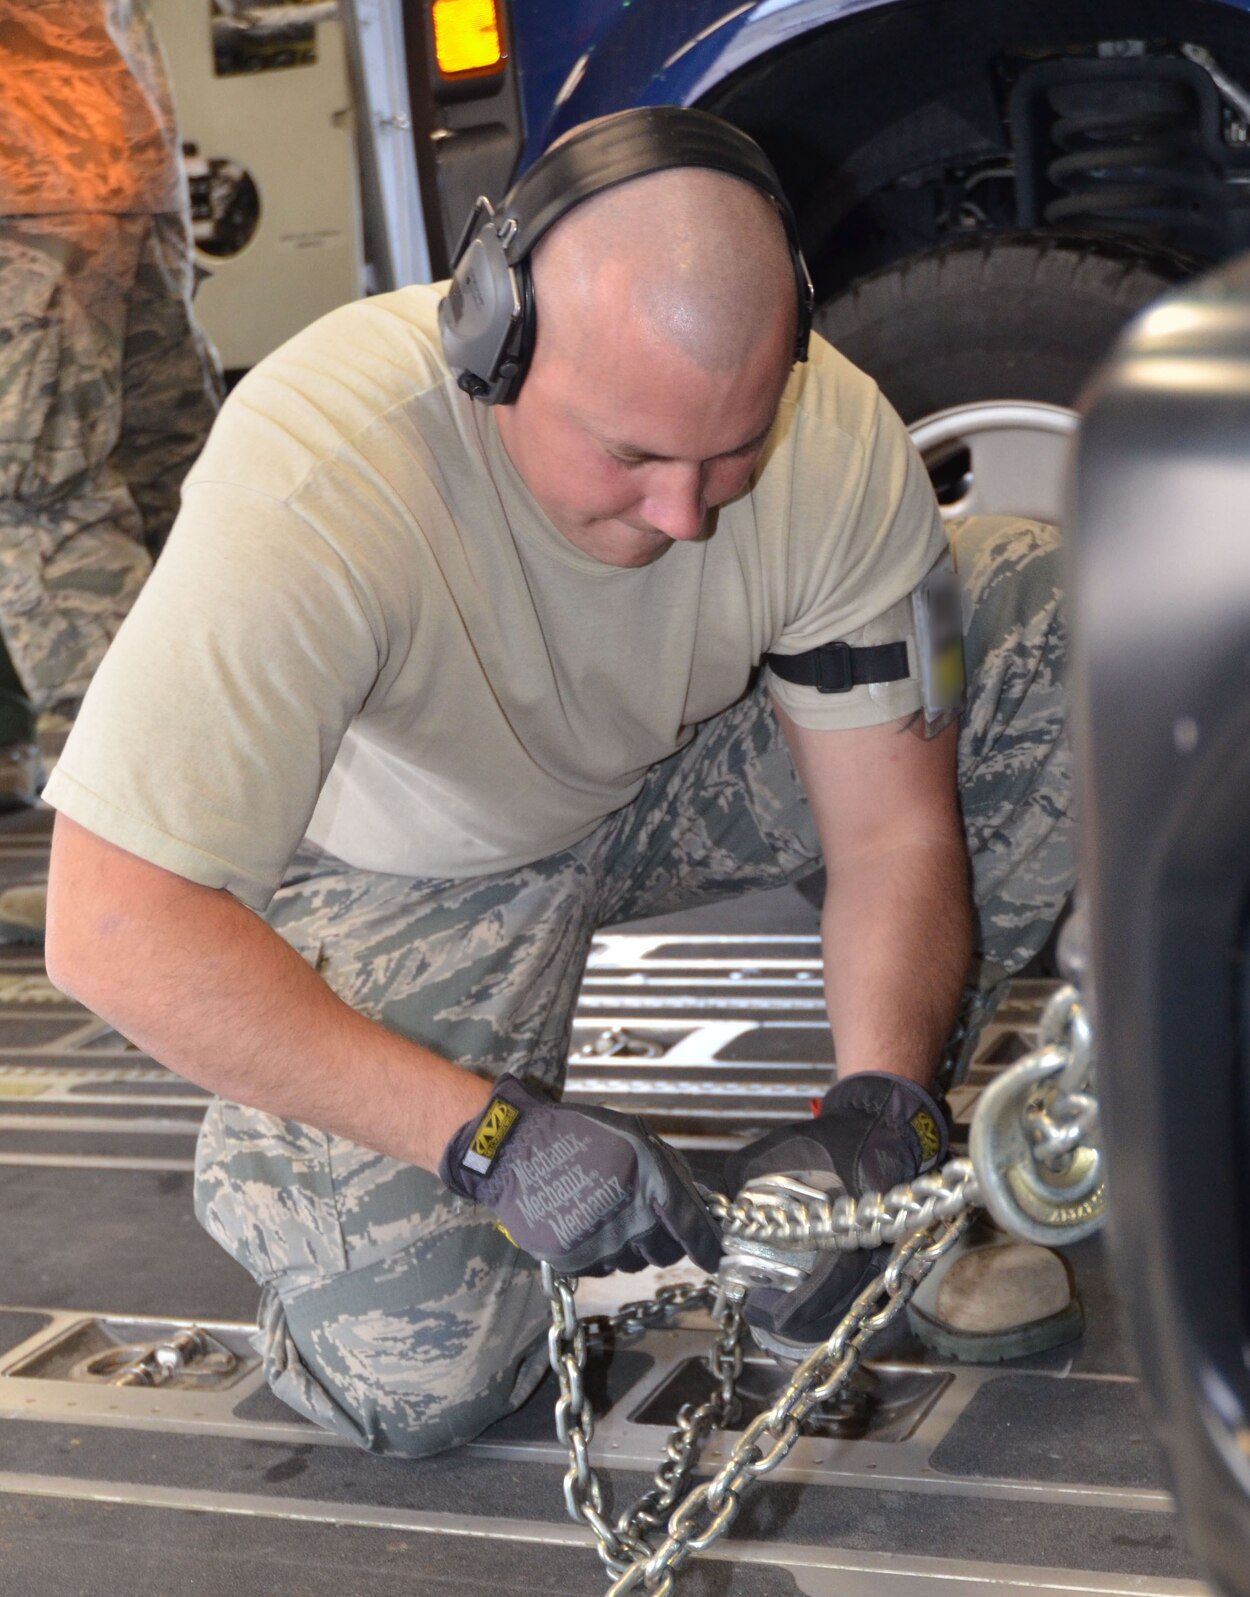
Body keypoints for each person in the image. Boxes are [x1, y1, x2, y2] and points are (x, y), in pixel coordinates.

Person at [41, 109, 1076, 1455]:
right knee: (424, 1387)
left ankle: (893, 1211)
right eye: (632, 456)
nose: (686, 515)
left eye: (730, 451)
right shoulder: (325, 472)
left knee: (1048, 617)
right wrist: (488, 1141)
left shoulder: (832, 439)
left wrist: (876, 1111)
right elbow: (111, 926)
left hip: (662, 774)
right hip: (409, 865)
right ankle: (289, 1161)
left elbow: (893, 835)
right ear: (493, 344)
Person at [0, 0, 220, 930]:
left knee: (45, 516)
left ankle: (136, 882)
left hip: (23, 194)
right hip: (121, 151)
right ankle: (250, 825)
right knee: (184, 503)